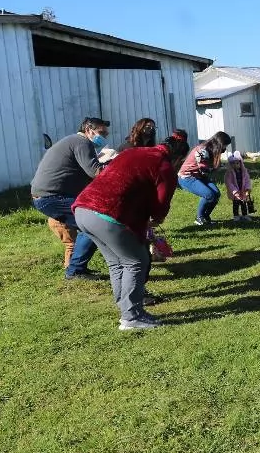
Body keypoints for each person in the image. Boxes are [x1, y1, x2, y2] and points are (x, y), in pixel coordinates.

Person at [72, 135, 190, 330]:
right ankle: (131, 317)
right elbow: (161, 205)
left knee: (116, 262)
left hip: (83, 209)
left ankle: (126, 309)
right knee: (136, 261)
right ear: (178, 158)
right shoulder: (164, 165)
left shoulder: (134, 151)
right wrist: (155, 219)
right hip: (107, 213)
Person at [31, 117, 110, 280]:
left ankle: (76, 268)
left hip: (47, 196)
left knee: (89, 225)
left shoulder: (72, 141)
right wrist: (117, 166)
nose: (104, 137)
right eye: (101, 133)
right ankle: (75, 270)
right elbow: (95, 172)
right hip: (51, 197)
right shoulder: (82, 142)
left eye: (106, 134)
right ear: (89, 130)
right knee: (93, 224)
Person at [178, 131, 231, 225]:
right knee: (209, 195)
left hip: (199, 176)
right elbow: (204, 169)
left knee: (216, 194)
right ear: (219, 143)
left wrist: (219, 167)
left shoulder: (211, 149)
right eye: (224, 146)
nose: (225, 148)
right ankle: (199, 218)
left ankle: (206, 217)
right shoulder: (202, 150)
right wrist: (219, 167)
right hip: (187, 177)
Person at [224, 151, 253, 221]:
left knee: (243, 203)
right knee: (236, 204)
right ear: (230, 164)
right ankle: (236, 215)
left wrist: (247, 189)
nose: (235, 165)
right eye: (233, 163)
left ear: (240, 163)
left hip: (242, 190)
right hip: (235, 192)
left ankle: (245, 215)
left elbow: (247, 180)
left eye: (237, 163)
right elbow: (229, 183)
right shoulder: (229, 173)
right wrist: (234, 191)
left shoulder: (244, 172)